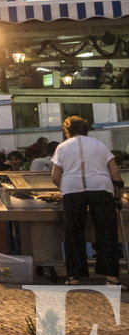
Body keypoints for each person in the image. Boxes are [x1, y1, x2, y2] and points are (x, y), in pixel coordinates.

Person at [52, 116, 123, 284]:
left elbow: (55, 176)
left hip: (72, 189)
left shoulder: (62, 147)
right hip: (101, 187)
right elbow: (115, 172)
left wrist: (65, 188)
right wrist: (118, 194)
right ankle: (111, 277)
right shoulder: (99, 145)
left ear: (67, 130)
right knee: (106, 231)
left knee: (74, 232)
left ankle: (74, 276)